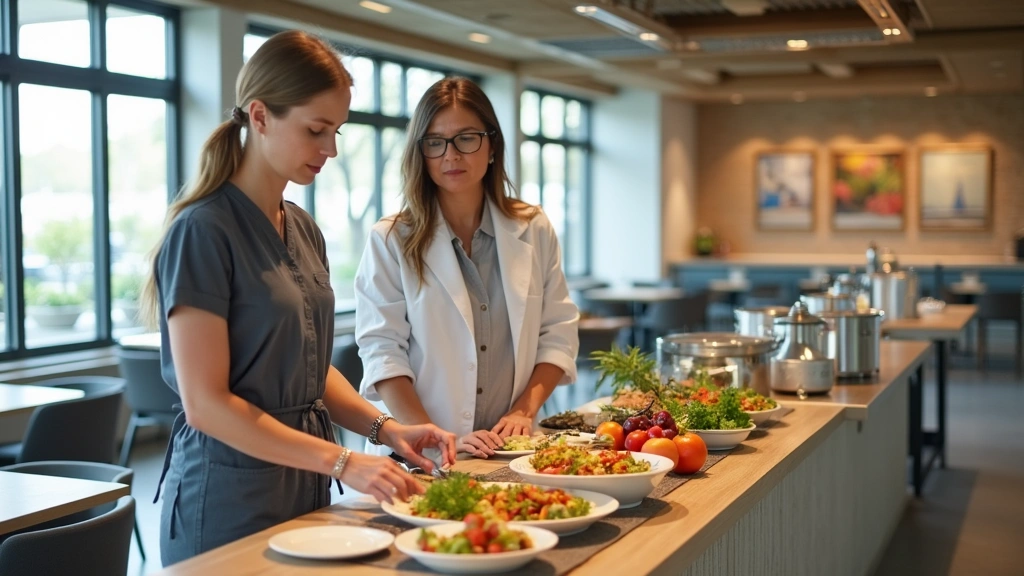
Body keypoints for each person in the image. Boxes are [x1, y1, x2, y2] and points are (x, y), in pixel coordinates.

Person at [139, 30, 456, 566]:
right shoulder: (203, 231)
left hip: (303, 481)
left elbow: (308, 364)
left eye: (336, 131)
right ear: (259, 117)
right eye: (316, 130)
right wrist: (342, 462)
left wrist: (387, 429)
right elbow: (206, 404)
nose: (330, 149)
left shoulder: (303, 228)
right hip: (228, 495)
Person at [354, 77, 579, 459]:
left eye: (466, 138)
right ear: (420, 154)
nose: (451, 155)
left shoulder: (533, 227)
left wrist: (524, 411)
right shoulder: (390, 239)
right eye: (435, 142)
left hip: (512, 446)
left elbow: (558, 332)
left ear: (492, 146)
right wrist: (435, 437)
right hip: (421, 454)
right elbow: (382, 353)